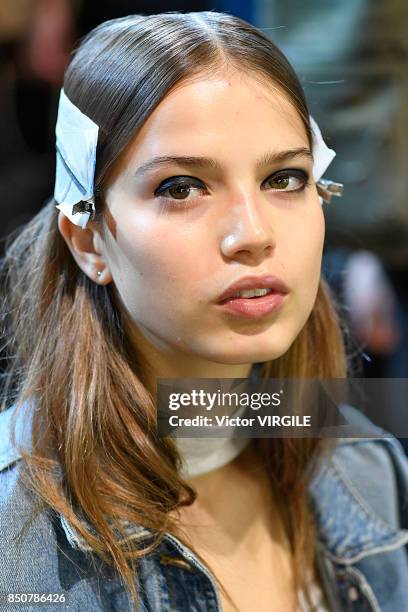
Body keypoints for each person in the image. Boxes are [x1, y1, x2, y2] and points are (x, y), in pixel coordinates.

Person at [0, 11, 407, 612]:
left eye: (286, 178)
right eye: (182, 187)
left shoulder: (371, 467)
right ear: (88, 242)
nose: (252, 233)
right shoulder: (17, 539)